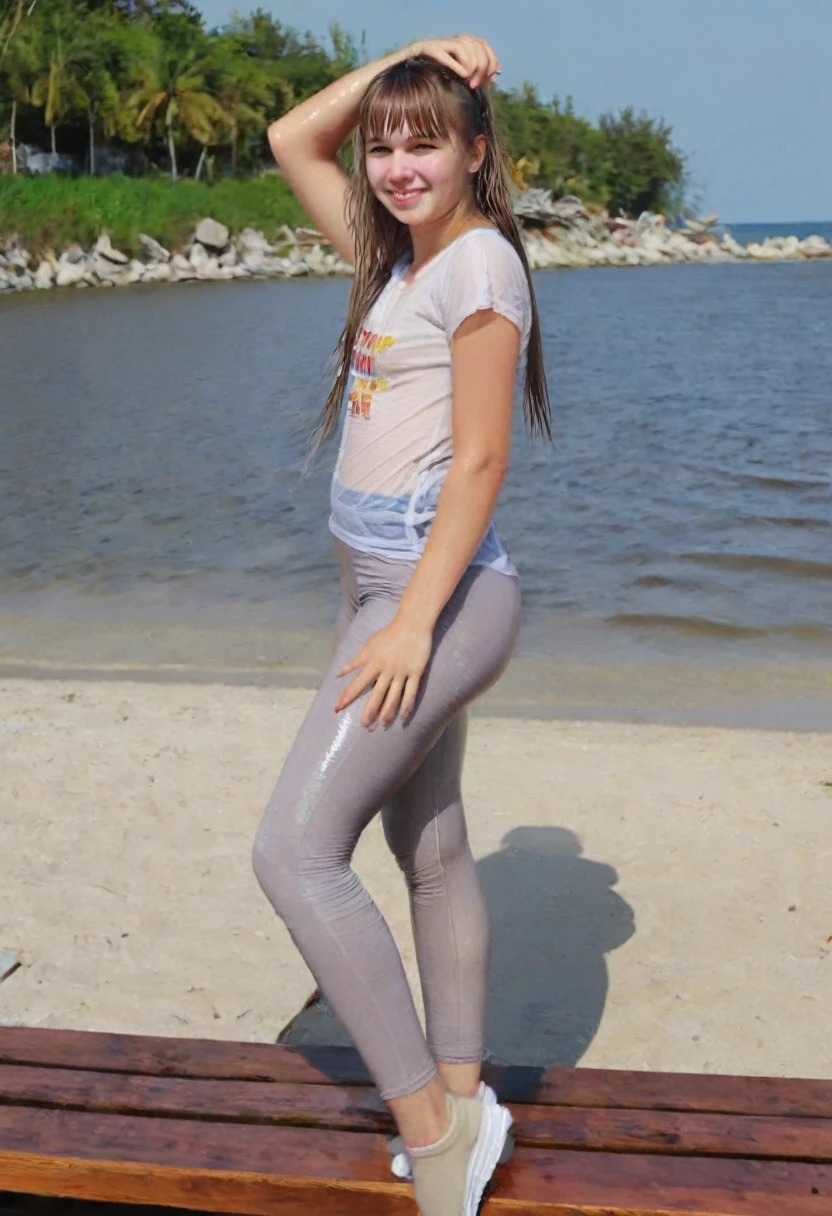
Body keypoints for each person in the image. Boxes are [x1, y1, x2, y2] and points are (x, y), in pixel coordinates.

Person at [253, 34, 550, 1216]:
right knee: (427, 849)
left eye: (426, 139)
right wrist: (407, 61)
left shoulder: (479, 269)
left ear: (480, 152)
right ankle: (468, 1099)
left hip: (440, 598)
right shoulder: (394, 266)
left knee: (293, 851)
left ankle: (430, 1129)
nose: (395, 163)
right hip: (376, 592)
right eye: (383, 143)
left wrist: (413, 626)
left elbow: (481, 462)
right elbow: (289, 138)